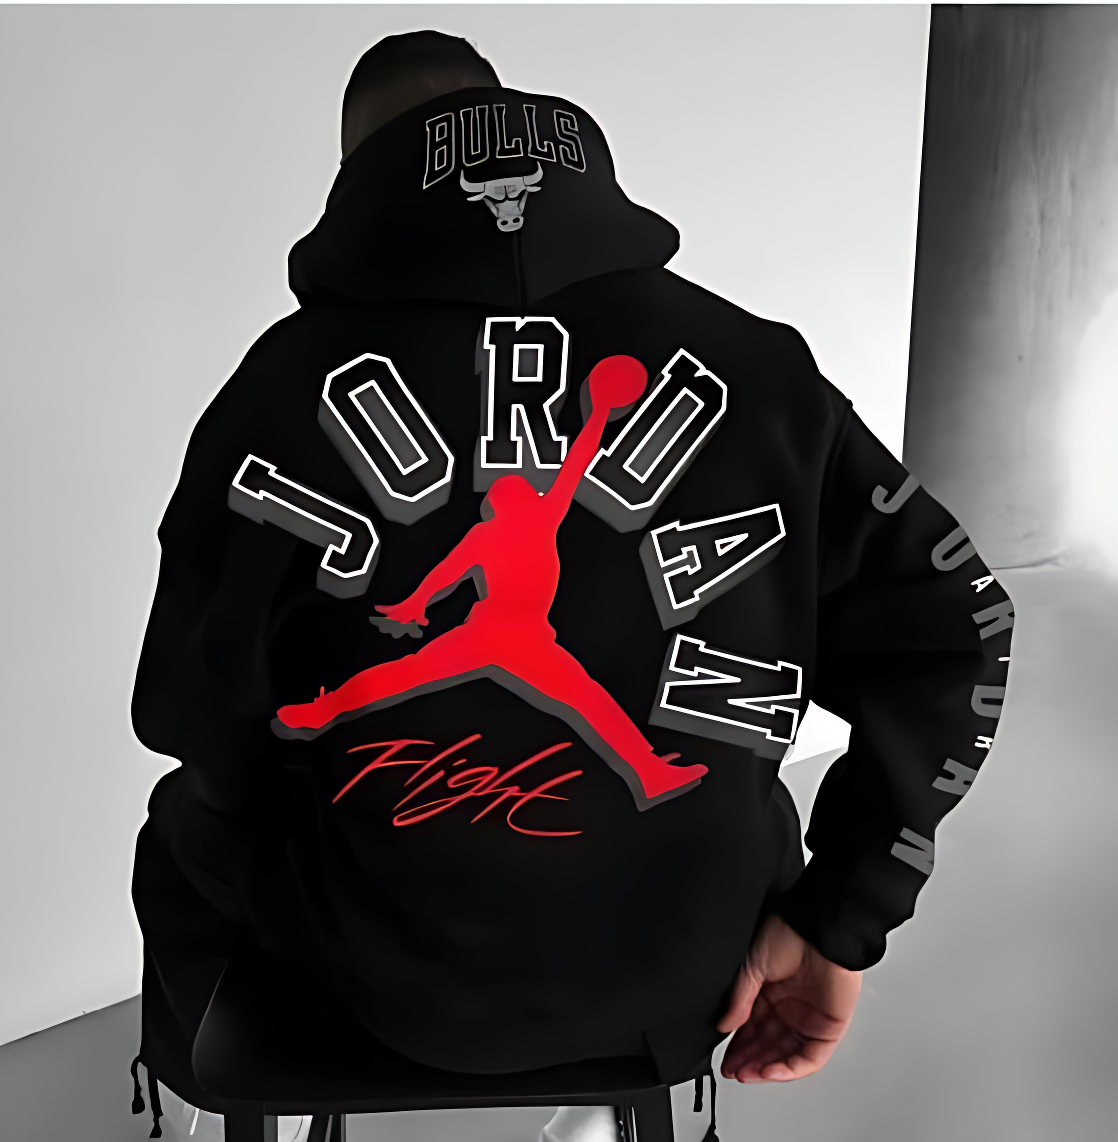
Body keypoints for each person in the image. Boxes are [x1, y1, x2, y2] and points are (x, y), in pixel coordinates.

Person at [130, 28, 1012, 1140]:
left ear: (360, 175)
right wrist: (841, 915)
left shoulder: (273, 389)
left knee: (207, 808)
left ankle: (256, 1077)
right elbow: (962, 624)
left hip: (372, 977)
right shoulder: (762, 370)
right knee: (594, 721)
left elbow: (182, 711)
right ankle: (608, 1056)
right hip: (690, 972)